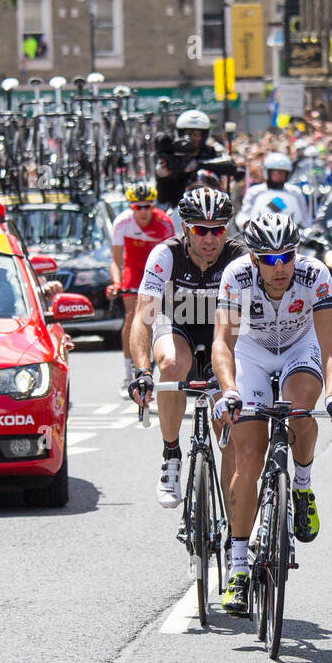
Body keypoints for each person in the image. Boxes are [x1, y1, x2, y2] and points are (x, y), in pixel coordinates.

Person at [210, 212, 332, 616]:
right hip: (251, 352)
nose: (280, 267)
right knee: (250, 457)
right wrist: (230, 391)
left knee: (299, 408)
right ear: (254, 259)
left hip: (299, 346)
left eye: (286, 256)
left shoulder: (315, 275)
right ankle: (238, 566)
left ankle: (303, 486)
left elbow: (330, 342)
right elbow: (222, 343)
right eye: (269, 259)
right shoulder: (236, 276)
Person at [128, 187, 245, 510]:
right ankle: (171, 456)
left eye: (217, 229)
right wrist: (141, 371)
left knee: (230, 424)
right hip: (176, 322)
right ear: (185, 229)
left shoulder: (238, 257)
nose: (209, 238)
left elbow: (252, 322)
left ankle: (234, 521)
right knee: (170, 365)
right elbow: (142, 317)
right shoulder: (166, 255)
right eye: (200, 230)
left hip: (221, 328)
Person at [108, 183, 175, 396]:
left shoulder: (164, 222)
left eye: (147, 206)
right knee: (132, 316)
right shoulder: (122, 223)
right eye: (138, 207)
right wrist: (117, 283)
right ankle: (128, 373)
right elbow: (116, 260)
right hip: (134, 271)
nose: (143, 211)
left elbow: (173, 257)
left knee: (161, 315)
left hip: (158, 272)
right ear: (131, 207)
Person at [235, 152, 310, 229]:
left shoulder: (294, 192)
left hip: (289, 234)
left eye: (282, 173)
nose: (279, 176)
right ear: (267, 173)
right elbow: (244, 213)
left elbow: (304, 216)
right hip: (261, 234)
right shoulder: (255, 191)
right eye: (276, 173)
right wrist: (245, 223)